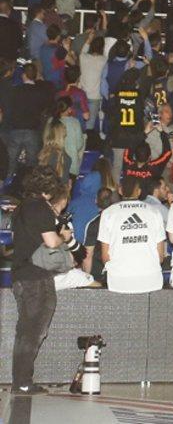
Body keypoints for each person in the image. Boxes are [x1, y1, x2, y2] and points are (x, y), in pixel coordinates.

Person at [9, 166, 81, 394]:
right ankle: (22, 381)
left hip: (21, 274)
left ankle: (20, 380)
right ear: (50, 188)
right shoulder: (40, 207)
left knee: (25, 330)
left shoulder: (21, 207)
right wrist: (64, 236)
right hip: (36, 276)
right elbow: (51, 242)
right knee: (34, 331)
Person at [99, 177, 167, 293]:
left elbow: (105, 257)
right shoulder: (154, 212)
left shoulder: (108, 213)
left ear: (120, 191)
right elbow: (160, 256)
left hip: (118, 282)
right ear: (139, 192)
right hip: (151, 280)